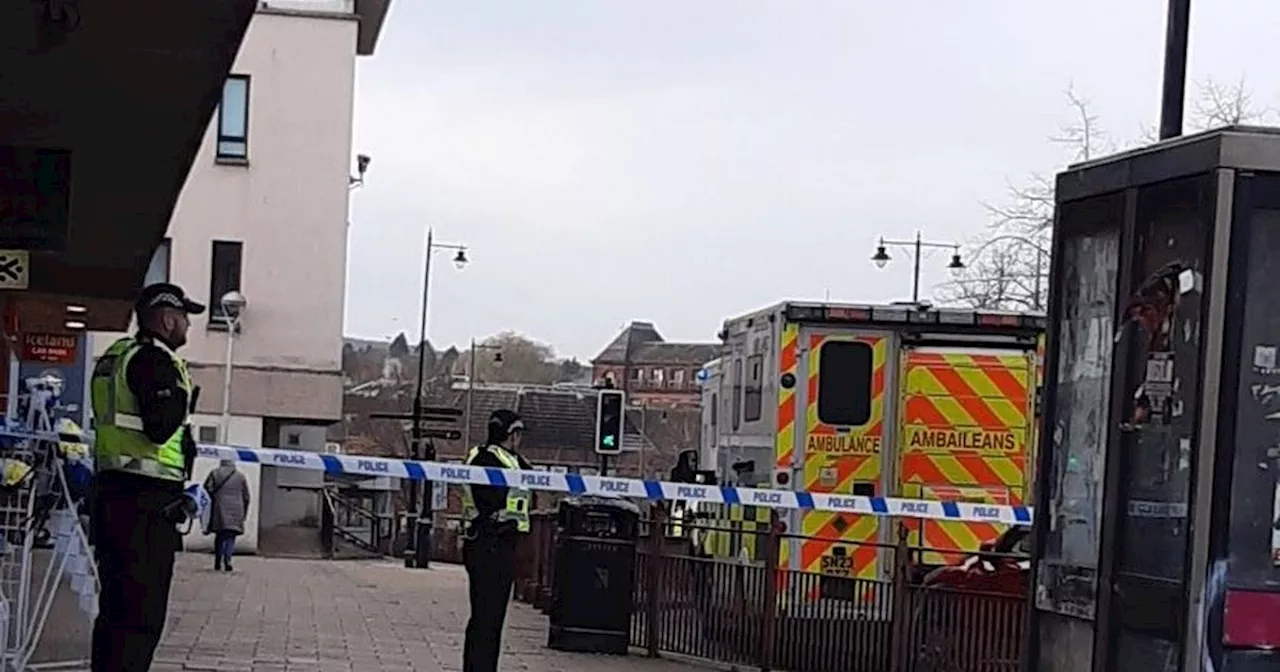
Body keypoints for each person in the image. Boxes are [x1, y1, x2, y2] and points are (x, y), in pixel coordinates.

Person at [89, 282, 204, 672]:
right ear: (167, 319)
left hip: (111, 496)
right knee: (141, 616)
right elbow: (159, 429)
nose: (188, 325)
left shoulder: (115, 357)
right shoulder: (153, 363)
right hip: (145, 506)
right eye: (185, 317)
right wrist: (180, 399)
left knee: (114, 613)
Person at [461, 409, 532, 672]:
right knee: (486, 616)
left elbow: (533, 477)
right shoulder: (485, 459)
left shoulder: (509, 459)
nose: (520, 439)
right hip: (488, 541)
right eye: (518, 434)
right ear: (510, 434)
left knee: (492, 617)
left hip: (501, 543)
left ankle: (483, 667)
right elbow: (488, 498)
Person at [203, 458, 251, 571]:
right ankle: (228, 560)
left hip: (219, 508)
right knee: (231, 536)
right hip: (236, 509)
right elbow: (246, 497)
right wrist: (244, 513)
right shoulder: (240, 476)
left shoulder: (214, 473)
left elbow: (207, 489)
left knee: (219, 535)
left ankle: (217, 561)